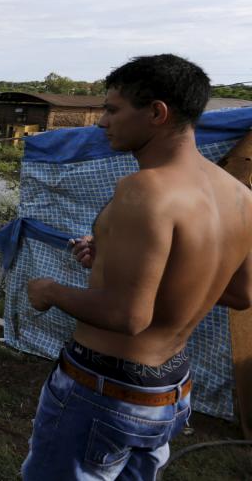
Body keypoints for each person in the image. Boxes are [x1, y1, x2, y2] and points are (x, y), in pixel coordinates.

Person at [22, 54, 252, 480]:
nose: (101, 122)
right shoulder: (240, 195)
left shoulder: (144, 189)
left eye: (112, 109)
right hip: (169, 393)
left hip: (105, 393)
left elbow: (128, 316)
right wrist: (122, 262)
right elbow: (241, 294)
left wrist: (49, 291)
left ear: (157, 113)